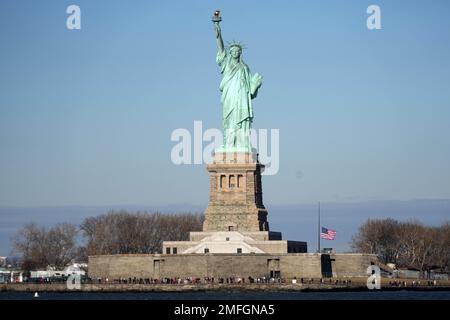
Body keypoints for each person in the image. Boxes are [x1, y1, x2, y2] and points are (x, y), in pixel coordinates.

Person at [213, 19, 262, 151]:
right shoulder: (226, 63)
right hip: (229, 95)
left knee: (241, 119)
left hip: (241, 97)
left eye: (237, 51)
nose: (235, 52)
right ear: (230, 53)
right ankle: (229, 144)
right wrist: (217, 30)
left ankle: (242, 144)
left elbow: (250, 91)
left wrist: (255, 85)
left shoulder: (244, 67)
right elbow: (220, 47)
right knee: (229, 119)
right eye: (233, 51)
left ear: (240, 53)